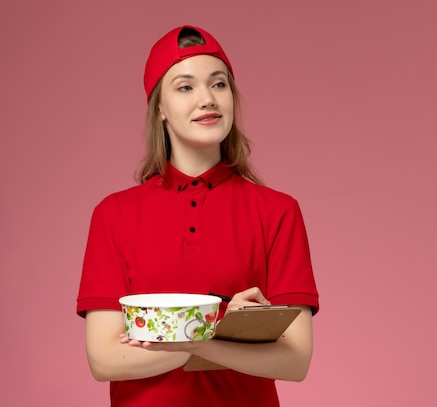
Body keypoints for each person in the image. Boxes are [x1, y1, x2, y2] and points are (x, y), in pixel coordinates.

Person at [76, 25, 319, 407]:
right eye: (185, 87)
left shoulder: (278, 212)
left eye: (219, 84)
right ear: (159, 107)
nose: (207, 98)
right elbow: (105, 358)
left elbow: (295, 360)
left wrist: (178, 341)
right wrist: (228, 335)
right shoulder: (114, 214)